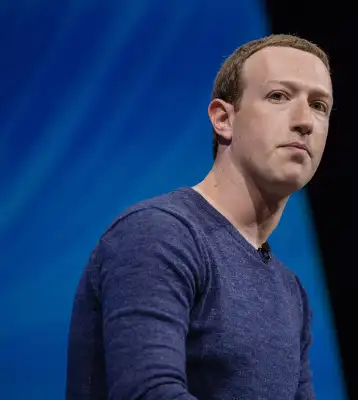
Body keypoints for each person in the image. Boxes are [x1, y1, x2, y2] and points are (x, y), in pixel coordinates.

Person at [66, 33, 333, 399]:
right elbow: (147, 393)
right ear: (223, 119)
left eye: (319, 105)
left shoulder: (291, 292)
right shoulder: (159, 234)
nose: (305, 121)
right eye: (278, 96)